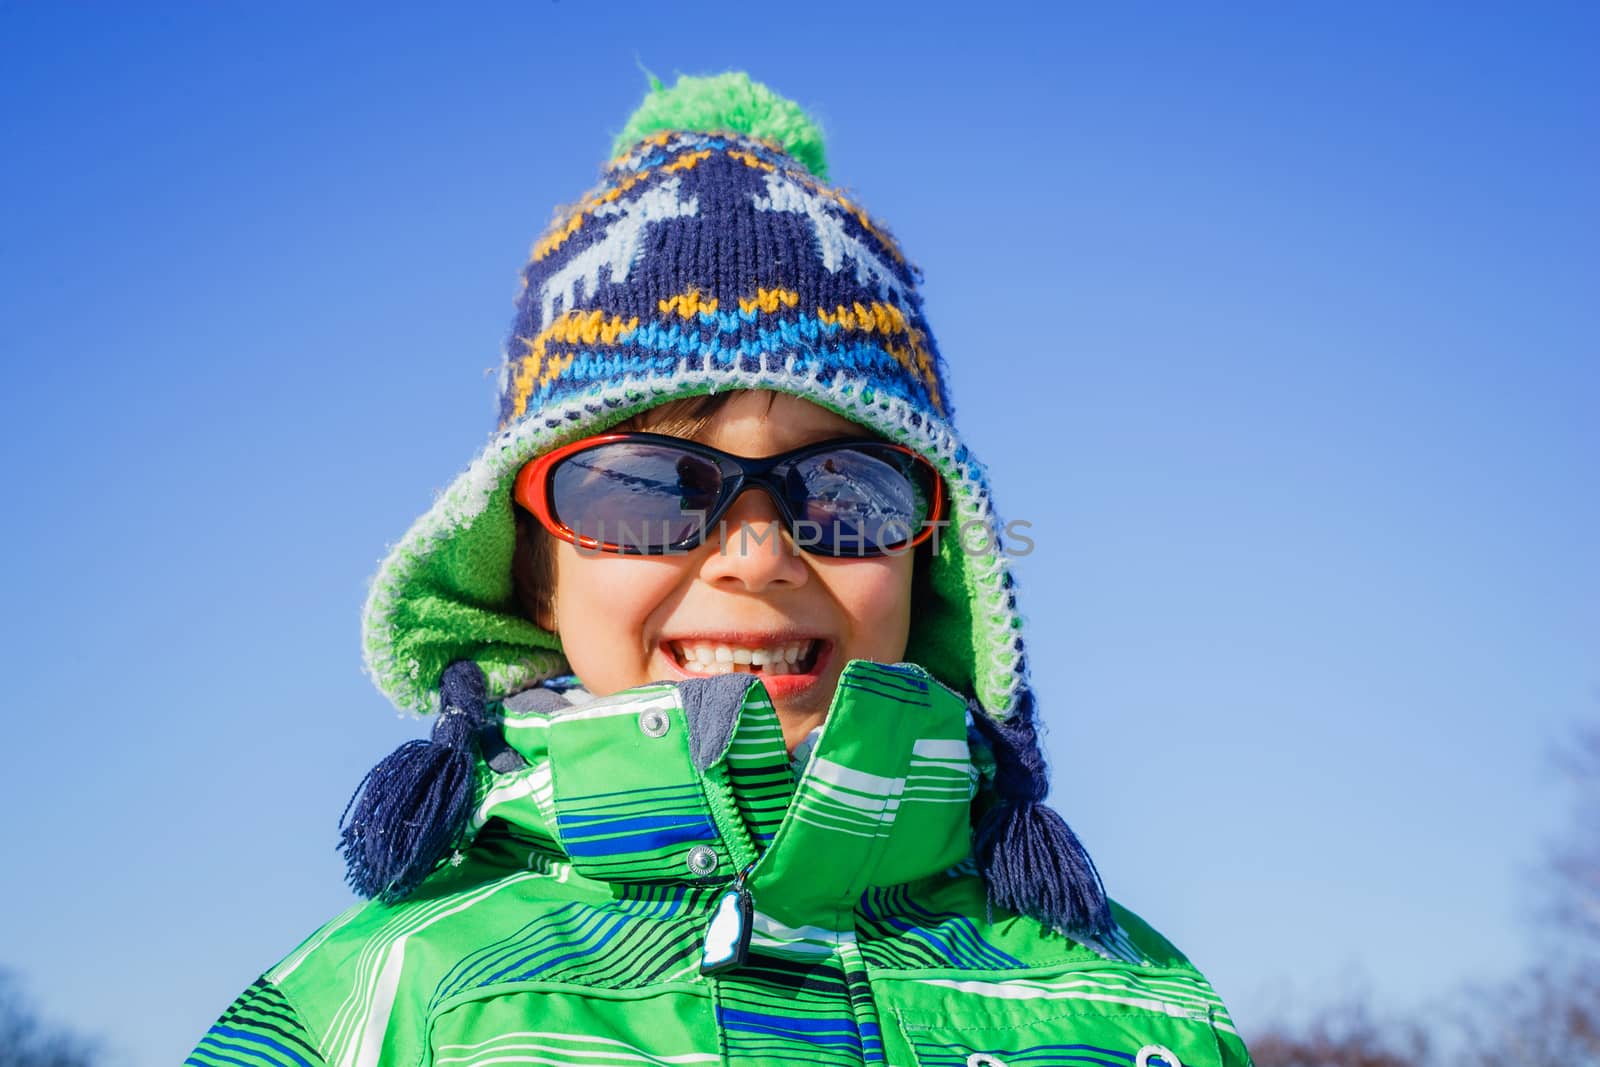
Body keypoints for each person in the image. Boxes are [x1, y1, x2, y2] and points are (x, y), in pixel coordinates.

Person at [186, 71, 1253, 1067]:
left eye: (844, 489)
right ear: (530, 561)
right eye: (644, 487)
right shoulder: (377, 1001)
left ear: (934, 552)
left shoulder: (1131, 1003)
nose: (756, 556)